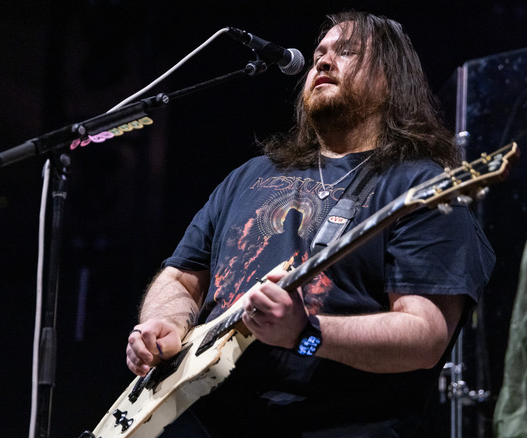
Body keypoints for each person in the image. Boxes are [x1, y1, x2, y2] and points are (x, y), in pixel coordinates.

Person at [126, 11, 495, 437]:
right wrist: (165, 324)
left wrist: (306, 333)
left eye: (347, 52)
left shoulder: (419, 186)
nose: (323, 60)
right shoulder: (251, 175)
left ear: (391, 80)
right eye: (319, 52)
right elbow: (181, 277)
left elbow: (424, 336)